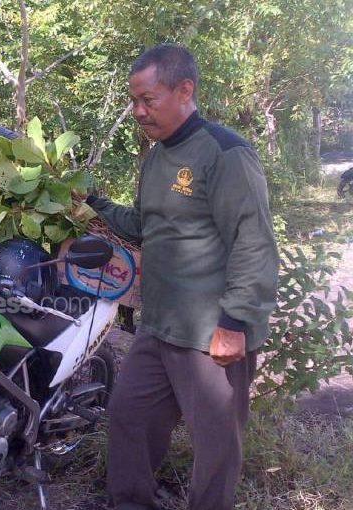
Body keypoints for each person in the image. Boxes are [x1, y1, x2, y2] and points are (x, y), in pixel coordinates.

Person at [86, 44, 279, 510]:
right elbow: (145, 226)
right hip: (159, 326)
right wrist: (94, 202)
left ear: (185, 90)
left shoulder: (225, 153)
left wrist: (236, 322)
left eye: (148, 100)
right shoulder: (155, 159)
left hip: (212, 335)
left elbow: (254, 243)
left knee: (215, 447)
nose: (138, 111)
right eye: (134, 101)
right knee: (128, 417)